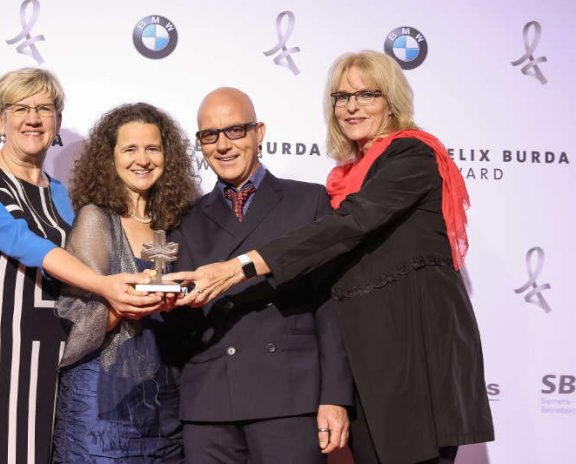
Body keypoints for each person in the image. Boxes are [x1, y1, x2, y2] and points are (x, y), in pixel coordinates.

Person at [168, 51, 495, 464]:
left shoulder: (411, 156)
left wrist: (241, 266)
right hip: (371, 362)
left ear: (391, 99)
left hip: (413, 352)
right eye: (341, 97)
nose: (351, 106)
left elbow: (349, 225)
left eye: (366, 94)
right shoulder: (346, 177)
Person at [0, 69, 160, 464]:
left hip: (50, 351)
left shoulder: (60, 193)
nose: (33, 118)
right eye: (20, 108)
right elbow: (27, 245)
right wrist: (106, 285)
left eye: (44, 108)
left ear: (56, 120)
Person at [166, 87, 353, 464]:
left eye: (235, 130)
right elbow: (179, 328)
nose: (222, 145)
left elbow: (332, 306)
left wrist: (334, 396)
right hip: (209, 406)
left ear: (259, 132)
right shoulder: (183, 219)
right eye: (209, 135)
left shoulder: (309, 202)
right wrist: (166, 304)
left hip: (289, 397)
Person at [51, 102, 198, 463]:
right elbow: (70, 315)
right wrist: (120, 308)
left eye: (153, 148)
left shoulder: (177, 221)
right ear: (110, 158)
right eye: (130, 149)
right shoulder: (96, 219)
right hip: (101, 405)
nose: (142, 159)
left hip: (164, 402)